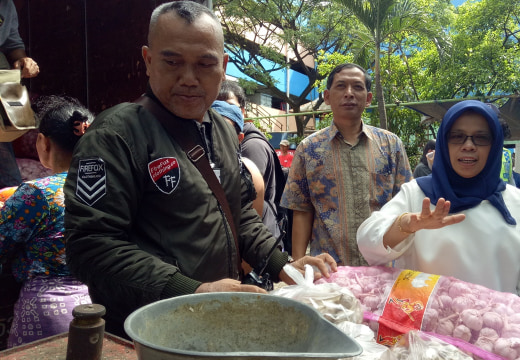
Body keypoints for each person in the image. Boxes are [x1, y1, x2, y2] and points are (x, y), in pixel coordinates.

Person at [63, 1, 336, 337]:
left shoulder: (221, 128)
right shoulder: (116, 135)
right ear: (148, 61)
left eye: (205, 64)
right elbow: (90, 246)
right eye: (172, 62)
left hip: (213, 321)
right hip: (148, 330)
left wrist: (285, 267)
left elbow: (239, 213)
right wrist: (191, 290)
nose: (189, 79)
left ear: (222, 67)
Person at [356, 99, 520, 319]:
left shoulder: (515, 201)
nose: (468, 145)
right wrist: (405, 225)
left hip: (495, 338)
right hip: (429, 339)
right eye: (457, 136)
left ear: (495, 145)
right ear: (443, 143)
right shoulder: (418, 194)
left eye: (481, 138)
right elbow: (367, 242)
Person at [281, 63, 413, 266]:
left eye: (358, 87)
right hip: (328, 271)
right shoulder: (309, 149)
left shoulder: (391, 145)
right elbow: (302, 210)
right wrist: (300, 265)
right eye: (341, 86)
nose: (349, 93)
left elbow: (404, 205)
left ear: (368, 98)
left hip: (383, 269)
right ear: (326, 96)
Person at [1, 95, 92, 348]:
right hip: (101, 303)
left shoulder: (37, 193)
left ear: (42, 142)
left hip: (48, 310)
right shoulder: (114, 187)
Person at [217, 81, 285, 241]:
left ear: (242, 111)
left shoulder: (251, 145)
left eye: (229, 105)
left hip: (258, 237)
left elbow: (246, 203)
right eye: (215, 104)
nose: (221, 111)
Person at [0, 0, 40, 190]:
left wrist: (22, 60)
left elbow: (12, 42)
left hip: (2, 84)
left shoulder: (6, 5)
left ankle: (16, 209)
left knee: (9, 181)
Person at [211, 100, 265, 218]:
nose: (216, 135)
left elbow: (250, 222)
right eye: (211, 128)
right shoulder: (192, 163)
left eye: (225, 130)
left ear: (240, 138)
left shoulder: (249, 171)